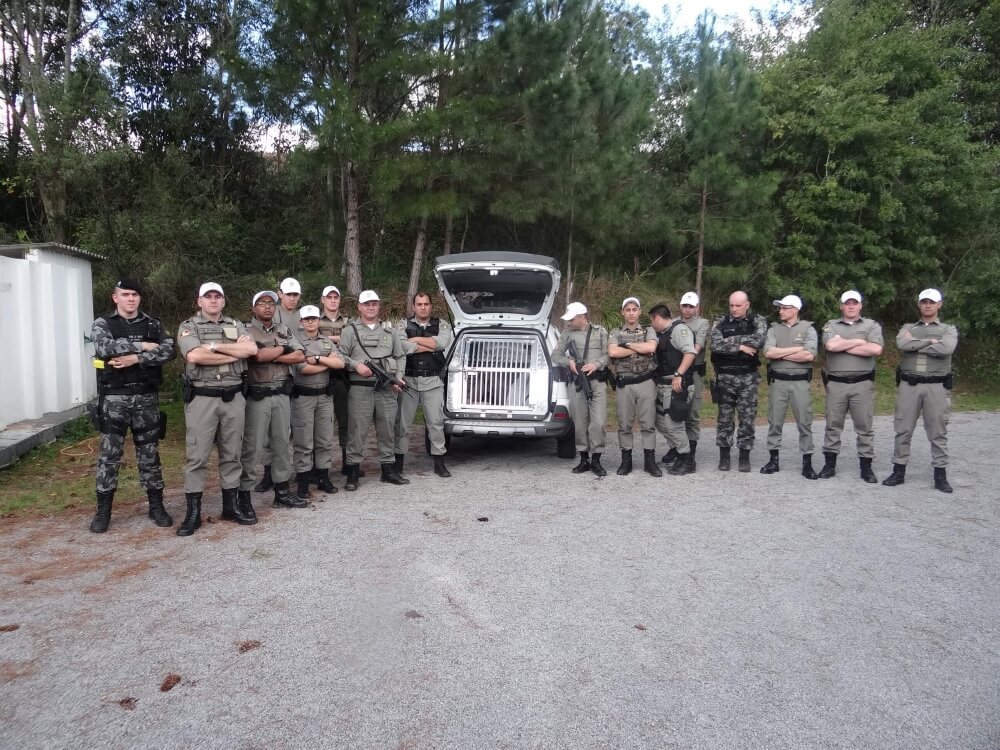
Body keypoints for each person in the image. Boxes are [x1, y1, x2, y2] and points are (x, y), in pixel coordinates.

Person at [89, 278, 176, 533]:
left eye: (135, 294)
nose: (131, 298)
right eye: (125, 294)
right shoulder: (103, 324)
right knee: (109, 456)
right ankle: (103, 510)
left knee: (149, 454)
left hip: (146, 397)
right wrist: (142, 346)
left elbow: (169, 350)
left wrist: (134, 359)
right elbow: (104, 348)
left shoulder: (153, 323)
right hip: (114, 398)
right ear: (115, 298)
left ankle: (156, 506)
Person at [176, 282, 258, 536]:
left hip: (233, 397)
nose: (213, 300)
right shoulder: (188, 327)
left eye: (217, 296)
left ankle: (230, 507)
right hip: (203, 398)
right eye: (208, 297)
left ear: (223, 301)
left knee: (232, 454)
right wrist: (233, 353)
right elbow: (195, 357)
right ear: (199, 301)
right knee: (197, 456)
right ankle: (193, 513)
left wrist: (211, 346)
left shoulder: (237, 325)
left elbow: (251, 349)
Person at [883, 288, 959, 493]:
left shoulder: (948, 329)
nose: (927, 305)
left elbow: (946, 349)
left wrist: (914, 344)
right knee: (903, 429)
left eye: (931, 302)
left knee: (938, 430)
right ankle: (898, 471)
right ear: (919, 304)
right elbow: (901, 343)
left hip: (936, 386)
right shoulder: (908, 327)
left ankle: (940, 475)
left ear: (939, 304)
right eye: (924, 301)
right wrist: (930, 342)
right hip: (909, 385)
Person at [239, 291, 306, 509]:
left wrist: (274, 352)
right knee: (252, 448)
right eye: (262, 303)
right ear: (253, 308)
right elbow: (256, 357)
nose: (267, 307)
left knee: (281, 445)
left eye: (271, 303)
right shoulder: (245, 330)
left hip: (281, 394)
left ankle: (282, 492)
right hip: (257, 395)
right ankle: (245, 497)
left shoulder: (283, 329)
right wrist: (284, 348)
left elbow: (300, 355)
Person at [338, 290, 408, 490]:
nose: (371, 307)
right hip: (360, 389)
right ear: (359, 307)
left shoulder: (390, 332)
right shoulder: (350, 331)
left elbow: (400, 356)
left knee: (387, 429)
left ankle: (388, 470)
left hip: (386, 389)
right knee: (357, 431)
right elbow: (340, 355)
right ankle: (352, 473)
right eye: (367, 304)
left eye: (374, 304)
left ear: (379, 306)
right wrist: (355, 366)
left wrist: (399, 377)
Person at [818, 290, 884, 482]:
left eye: (855, 303)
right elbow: (830, 346)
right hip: (836, 384)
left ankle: (866, 467)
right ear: (841, 306)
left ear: (860, 305)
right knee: (833, 426)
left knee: (864, 426)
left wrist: (843, 343)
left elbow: (876, 349)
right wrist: (859, 342)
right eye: (847, 303)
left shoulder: (871, 325)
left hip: (862, 384)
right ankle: (829, 465)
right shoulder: (831, 325)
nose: (851, 306)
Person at [394, 292, 454, 478]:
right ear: (413, 307)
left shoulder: (442, 324)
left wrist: (414, 340)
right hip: (409, 382)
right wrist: (429, 345)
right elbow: (400, 345)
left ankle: (439, 461)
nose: (422, 307)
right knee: (402, 424)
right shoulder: (403, 325)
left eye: (426, 304)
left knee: (435, 423)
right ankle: (399, 463)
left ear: (430, 306)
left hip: (433, 381)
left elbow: (442, 342)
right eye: (419, 304)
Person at [761, 295, 819, 479]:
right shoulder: (774, 329)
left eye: (785, 308)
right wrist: (796, 349)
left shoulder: (808, 329)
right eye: (780, 308)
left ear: (795, 309)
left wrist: (780, 354)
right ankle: (773, 460)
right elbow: (768, 352)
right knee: (775, 421)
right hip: (778, 381)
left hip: (800, 382)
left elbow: (809, 356)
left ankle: (807, 463)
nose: (781, 311)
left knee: (804, 422)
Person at [291, 305, 345, 500]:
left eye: (314, 318)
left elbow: (340, 363)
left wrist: (316, 358)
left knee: (324, 440)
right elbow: (301, 368)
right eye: (307, 319)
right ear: (301, 322)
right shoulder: (295, 341)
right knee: (304, 442)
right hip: (303, 397)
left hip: (324, 397)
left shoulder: (325, 341)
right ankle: (303, 482)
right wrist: (326, 363)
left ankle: (323, 477)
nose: (311, 322)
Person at [709, 291, 767, 472]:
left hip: (748, 377)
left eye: (738, 305)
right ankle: (724, 456)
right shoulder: (721, 321)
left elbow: (759, 340)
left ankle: (744, 456)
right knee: (724, 419)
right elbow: (715, 345)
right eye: (731, 305)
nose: (734, 309)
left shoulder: (757, 321)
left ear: (747, 305)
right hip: (725, 377)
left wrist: (729, 341)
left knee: (747, 418)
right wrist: (740, 346)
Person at [552, 302, 610, 476]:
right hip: (577, 384)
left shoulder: (600, 332)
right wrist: (568, 362)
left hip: (597, 382)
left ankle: (597, 460)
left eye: (571, 319)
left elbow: (609, 354)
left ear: (581, 317)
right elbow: (555, 355)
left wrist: (596, 364)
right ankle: (584, 459)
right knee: (580, 423)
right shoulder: (567, 334)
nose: (568, 322)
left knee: (598, 423)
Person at [607, 297, 658, 476]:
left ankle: (649, 462)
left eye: (634, 309)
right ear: (623, 312)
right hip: (625, 384)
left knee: (648, 424)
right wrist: (638, 348)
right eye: (627, 309)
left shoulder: (648, 330)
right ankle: (626, 461)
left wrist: (627, 345)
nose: (631, 313)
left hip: (645, 382)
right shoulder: (615, 332)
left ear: (639, 312)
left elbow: (651, 347)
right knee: (624, 424)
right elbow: (613, 351)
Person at [649, 304, 697, 476]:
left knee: (673, 423)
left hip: (677, 385)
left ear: (657, 318)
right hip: (664, 386)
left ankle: (687, 459)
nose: (651, 324)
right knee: (659, 421)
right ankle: (676, 449)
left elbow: (690, 353)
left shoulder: (679, 330)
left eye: (651, 320)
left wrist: (679, 373)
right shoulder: (663, 334)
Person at [669, 291, 709, 470]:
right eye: (685, 306)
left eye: (691, 306)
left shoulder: (702, 324)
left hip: (693, 373)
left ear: (697, 308)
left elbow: (696, 348)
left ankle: (690, 453)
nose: (687, 309)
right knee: (673, 412)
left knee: (692, 414)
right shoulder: (673, 323)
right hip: (674, 373)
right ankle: (677, 449)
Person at [318, 285, 352, 475]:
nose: (332, 300)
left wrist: (323, 339)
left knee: (345, 421)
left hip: (342, 377)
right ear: (322, 300)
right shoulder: (312, 319)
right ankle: (319, 467)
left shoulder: (349, 322)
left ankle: (347, 461)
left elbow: (352, 341)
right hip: (319, 376)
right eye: (328, 297)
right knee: (320, 424)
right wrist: (337, 339)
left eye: (335, 297)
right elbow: (307, 340)